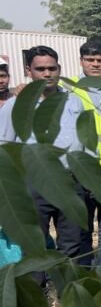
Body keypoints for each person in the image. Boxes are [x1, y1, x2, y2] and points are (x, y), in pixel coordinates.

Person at [0, 45, 87, 284]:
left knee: (71, 241)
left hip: (69, 180)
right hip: (32, 184)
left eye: (52, 68)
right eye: (41, 69)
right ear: (29, 71)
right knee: (34, 244)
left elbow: (84, 140)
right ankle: (38, 292)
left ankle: (68, 292)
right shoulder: (15, 106)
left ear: (59, 69)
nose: (47, 74)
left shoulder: (73, 102)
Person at [65, 41, 101, 265]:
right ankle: (84, 269)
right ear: (81, 61)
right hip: (81, 169)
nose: (95, 64)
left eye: (100, 60)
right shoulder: (68, 88)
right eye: (90, 60)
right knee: (81, 223)